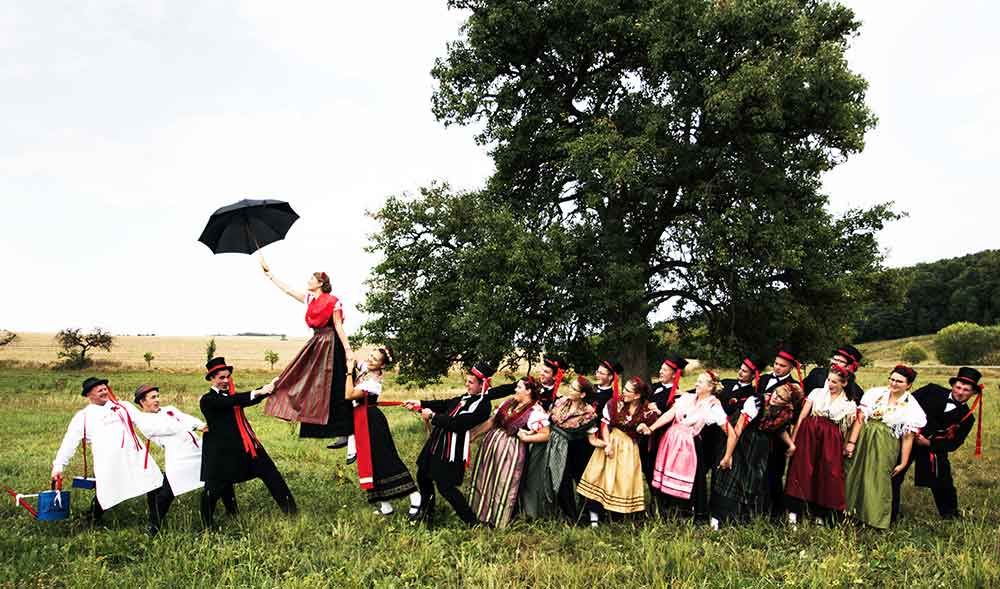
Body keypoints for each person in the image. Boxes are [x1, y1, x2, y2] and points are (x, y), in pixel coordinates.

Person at [261, 262, 356, 461]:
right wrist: (271, 275)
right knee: (301, 379)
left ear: (320, 282)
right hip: (317, 343)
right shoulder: (309, 299)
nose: (308, 281)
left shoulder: (334, 301)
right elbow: (288, 290)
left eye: (311, 279)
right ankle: (291, 407)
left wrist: (348, 351)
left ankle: (347, 434)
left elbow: (338, 326)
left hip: (332, 344)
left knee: (337, 388)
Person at [51, 377, 165, 532]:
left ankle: (154, 524)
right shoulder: (83, 417)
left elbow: (144, 424)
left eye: (105, 388)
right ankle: (91, 519)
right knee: (107, 491)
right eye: (99, 390)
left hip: (135, 457)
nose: (105, 391)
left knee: (155, 483)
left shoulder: (122, 406)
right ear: (89, 395)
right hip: (109, 462)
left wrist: (163, 440)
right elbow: (70, 442)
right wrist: (59, 466)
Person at [199, 357, 297, 528]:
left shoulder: (232, 396)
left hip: (247, 447)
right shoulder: (207, 400)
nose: (226, 381)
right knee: (214, 489)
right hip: (221, 453)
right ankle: (206, 526)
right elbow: (232, 401)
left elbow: (245, 399)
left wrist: (269, 387)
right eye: (221, 377)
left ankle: (292, 513)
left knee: (271, 474)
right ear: (211, 378)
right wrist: (259, 391)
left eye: (228, 376)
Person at [404, 363, 495, 526]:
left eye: (471, 382)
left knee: (445, 487)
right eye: (466, 381)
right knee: (423, 476)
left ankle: (472, 522)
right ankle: (426, 514)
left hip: (452, 449)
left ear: (482, 385)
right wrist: (419, 403)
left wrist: (432, 416)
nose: (467, 384)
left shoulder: (482, 405)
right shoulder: (465, 397)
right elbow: (445, 404)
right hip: (437, 442)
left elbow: (459, 424)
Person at [844, 365, 926, 529]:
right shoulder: (875, 394)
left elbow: (908, 437)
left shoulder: (912, 407)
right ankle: (846, 512)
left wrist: (903, 462)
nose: (894, 383)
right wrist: (851, 442)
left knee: (877, 478)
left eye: (899, 381)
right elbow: (860, 418)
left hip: (886, 442)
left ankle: (872, 518)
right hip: (864, 436)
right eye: (892, 379)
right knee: (853, 471)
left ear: (908, 385)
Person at [711, 379, 801, 527]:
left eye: (780, 398)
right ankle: (720, 516)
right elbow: (739, 427)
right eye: (776, 393)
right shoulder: (756, 402)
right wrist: (728, 456)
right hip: (741, 438)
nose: (774, 397)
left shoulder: (786, 413)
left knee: (753, 478)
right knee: (733, 474)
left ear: (788, 404)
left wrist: (791, 445)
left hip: (759, 445)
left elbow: (780, 428)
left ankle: (743, 517)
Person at [345, 347, 420, 517]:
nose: (370, 360)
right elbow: (353, 358)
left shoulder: (373, 382)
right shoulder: (367, 368)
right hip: (362, 419)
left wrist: (349, 373)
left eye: (375, 359)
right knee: (371, 462)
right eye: (370, 356)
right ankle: (385, 505)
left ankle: (415, 496)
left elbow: (349, 395)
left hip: (372, 421)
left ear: (382, 366)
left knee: (386, 459)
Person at [642, 371, 728, 521]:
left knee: (689, 477)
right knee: (667, 474)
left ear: (710, 387)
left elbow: (729, 431)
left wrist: (728, 454)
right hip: (672, 440)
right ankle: (665, 509)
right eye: (697, 381)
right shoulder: (687, 398)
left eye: (700, 382)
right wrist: (652, 428)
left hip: (690, 444)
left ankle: (685, 511)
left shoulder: (713, 405)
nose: (696, 384)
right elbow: (670, 414)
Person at [577, 377, 660, 526]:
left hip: (629, 448)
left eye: (628, 390)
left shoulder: (647, 410)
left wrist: (643, 428)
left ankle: (619, 516)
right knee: (600, 477)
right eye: (625, 388)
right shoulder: (614, 404)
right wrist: (607, 444)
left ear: (637, 395)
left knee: (623, 479)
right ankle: (595, 516)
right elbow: (605, 425)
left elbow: (649, 430)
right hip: (612, 441)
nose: (624, 392)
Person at [469, 376, 550, 528]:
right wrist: (473, 435)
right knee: (487, 478)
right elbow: (492, 421)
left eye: (519, 387)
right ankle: (481, 513)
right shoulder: (509, 403)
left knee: (503, 482)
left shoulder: (535, 411)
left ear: (528, 391)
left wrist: (526, 439)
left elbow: (546, 434)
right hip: (492, 447)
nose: (515, 390)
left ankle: (499, 519)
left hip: (510, 451)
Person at [905, 366, 984, 520]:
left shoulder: (967, 418)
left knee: (943, 481)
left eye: (966, 390)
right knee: (895, 472)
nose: (960, 392)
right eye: (958, 387)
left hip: (931, 447)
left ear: (973, 393)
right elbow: (906, 403)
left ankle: (950, 516)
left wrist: (928, 443)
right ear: (953, 385)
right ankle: (888, 510)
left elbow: (954, 443)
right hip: (907, 438)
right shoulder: (931, 390)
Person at [518, 376, 599, 522]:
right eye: (571, 386)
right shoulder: (561, 402)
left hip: (577, 449)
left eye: (574, 389)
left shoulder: (588, 412)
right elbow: (549, 421)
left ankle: (586, 514)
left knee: (579, 481)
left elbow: (589, 435)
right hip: (555, 446)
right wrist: (533, 432)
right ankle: (567, 515)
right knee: (560, 481)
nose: (570, 390)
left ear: (583, 394)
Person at [784, 364, 857, 525]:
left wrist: (846, 446)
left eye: (835, 382)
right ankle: (794, 512)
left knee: (827, 472)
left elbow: (848, 428)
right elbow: (802, 417)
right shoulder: (817, 393)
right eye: (829, 380)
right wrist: (793, 441)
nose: (830, 384)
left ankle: (820, 514)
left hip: (830, 438)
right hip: (809, 432)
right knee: (802, 469)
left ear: (844, 383)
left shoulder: (849, 403)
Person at [132, 384, 208, 535]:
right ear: (142, 402)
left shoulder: (170, 409)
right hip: (179, 458)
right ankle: (153, 526)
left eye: (157, 396)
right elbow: (170, 427)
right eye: (153, 397)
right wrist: (195, 426)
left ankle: (231, 512)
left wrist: (202, 425)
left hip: (197, 450)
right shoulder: (144, 420)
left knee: (218, 478)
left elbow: (186, 418)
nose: (157, 400)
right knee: (168, 493)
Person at [758, 346, 804, 518]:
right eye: (776, 364)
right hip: (760, 432)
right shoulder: (763, 379)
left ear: (790, 368)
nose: (777, 368)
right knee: (758, 471)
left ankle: (776, 511)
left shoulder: (793, 386)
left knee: (774, 473)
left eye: (782, 366)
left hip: (778, 435)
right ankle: (758, 506)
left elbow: (795, 414)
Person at [641, 355, 688, 495]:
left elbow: (675, 417)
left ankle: (663, 502)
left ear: (674, 374)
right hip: (648, 435)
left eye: (665, 370)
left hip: (663, 438)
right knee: (648, 468)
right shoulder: (653, 388)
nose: (660, 372)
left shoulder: (678, 395)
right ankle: (654, 499)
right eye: (661, 369)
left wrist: (659, 412)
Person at [485, 355, 567, 411]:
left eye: (546, 372)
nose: (541, 373)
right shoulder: (530, 382)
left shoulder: (555, 398)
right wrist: (485, 395)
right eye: (542, 369)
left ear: (555, 376)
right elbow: (506, 389)